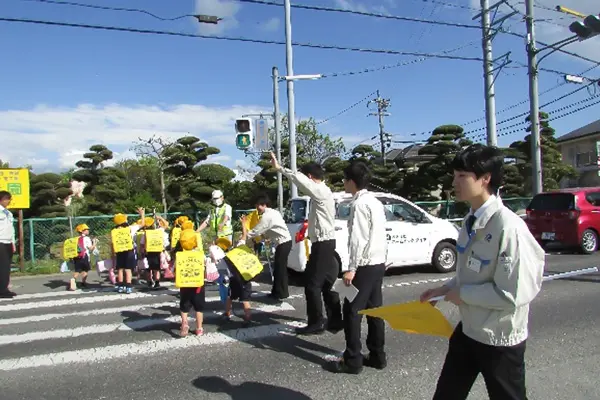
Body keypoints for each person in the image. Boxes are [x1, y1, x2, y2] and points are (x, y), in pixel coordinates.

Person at [420, 144, 545, 400]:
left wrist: (462, 294)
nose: (454, 182)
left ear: (485, 179)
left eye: (461, 176)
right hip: (469, 330)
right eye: (454, 175)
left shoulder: (509, 228)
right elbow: (470, 270)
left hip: (499, 338)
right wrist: (445, 289)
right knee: (446, 395)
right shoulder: (471, 220)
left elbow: (513, 294)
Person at [271, 152, 342, 335]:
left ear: (310, 177)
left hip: (323, 243)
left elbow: (300, 180)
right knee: (327, 283)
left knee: (312, 285)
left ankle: (317, 322)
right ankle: (335, 321)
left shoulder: (320, 191)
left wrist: (280, 169)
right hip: (324, 243)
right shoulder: (324, 192)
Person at [326, 162, 387, 374]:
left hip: (365, 264)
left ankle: (353, 359)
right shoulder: (374, 202)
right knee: (374, 309)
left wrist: (351, 268)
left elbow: (358, 239)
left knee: (352, 310)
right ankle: (378, 355)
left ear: (352, 181)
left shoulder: (359, 205)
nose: (343, 182)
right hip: (378, 262)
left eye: (344, 179)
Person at [240, 193, 292, 301]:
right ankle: (277, 292)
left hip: (283, 243)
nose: (257, 208)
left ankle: (281, 293)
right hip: (283, 243)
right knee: (278, 269)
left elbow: (256, 231)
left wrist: (244, 234)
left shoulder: (267, 216)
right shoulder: (273, 212)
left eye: (258, 205)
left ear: (264, 205)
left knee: (280, 269)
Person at [177, 228, 206, 337]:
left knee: (184, 306)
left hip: (184, 284)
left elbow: (176, 269)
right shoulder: (200, 254)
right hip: (198, 285)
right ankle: (199, 328)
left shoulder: (179, 255)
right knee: (199, 308)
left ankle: (184, 323)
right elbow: (205, 267)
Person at [111, 208, 145, 294]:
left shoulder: (114, 231)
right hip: (129, 250)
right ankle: (128, 287)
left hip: (119, 250)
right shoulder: (130, 228)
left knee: (120, 269)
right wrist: (142, 214)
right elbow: (142, 224)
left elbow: (112, 243)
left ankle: (120, 286)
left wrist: (113, 253)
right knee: (128, 269)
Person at [68, 223, 97, 291]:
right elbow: (90, 248)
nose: (88, 230)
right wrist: (94, 243)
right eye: (86, 229)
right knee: (85, 270)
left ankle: (73, 280)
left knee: (77, 270)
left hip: (77, 257)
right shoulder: (86, 238)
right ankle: (83, 283)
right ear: (83, 231)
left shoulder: (76, 239)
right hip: (84, 256)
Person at [0, 191, 16, 298]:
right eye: (7, 199)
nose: (8, 201)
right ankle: (2, 290)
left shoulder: (8, 213)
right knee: (2, 267)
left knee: (6, 267)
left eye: (9, 199)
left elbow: (12, 229)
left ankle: (4, 289)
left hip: (8, 242)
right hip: (0, 241)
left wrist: (13, 242)